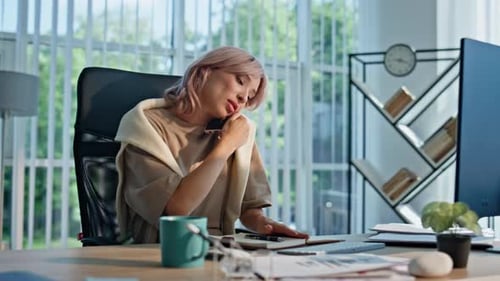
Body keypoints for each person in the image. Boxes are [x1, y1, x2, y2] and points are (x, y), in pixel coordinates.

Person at [114, 46, 309, 243]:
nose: (243, 98)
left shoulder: (238, 131)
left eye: (249, 97)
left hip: (220, 251)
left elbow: (249, 208)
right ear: (205, 71)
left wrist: (263, 224)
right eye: (240, 81)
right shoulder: (144, 125)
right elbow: (176, 210)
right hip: (163, 250)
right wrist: (225, 147)